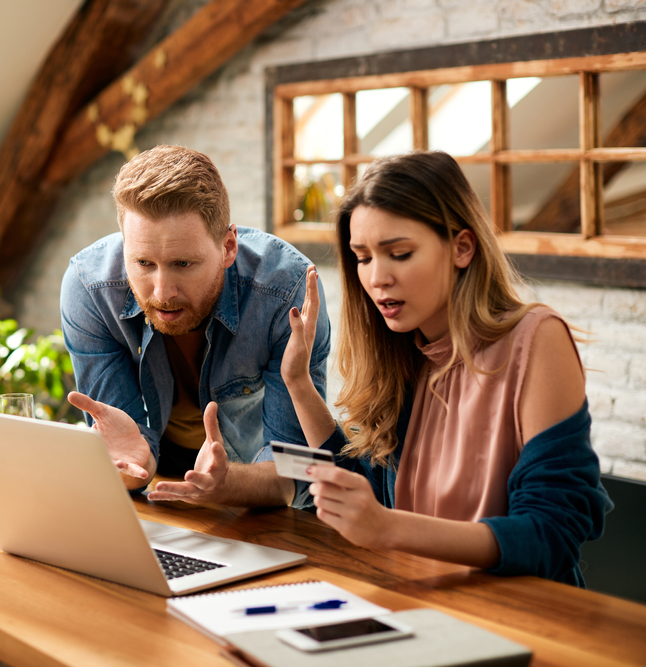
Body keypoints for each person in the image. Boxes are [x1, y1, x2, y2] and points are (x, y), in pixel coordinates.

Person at [281, 150, 611, 586]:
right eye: (362, 258)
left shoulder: (537, 339)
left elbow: (552, 535)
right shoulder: (405, 352)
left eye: (398, 253)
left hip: (522, 619)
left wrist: (391, 528)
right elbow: (371, 498)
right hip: (417, 600)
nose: (377, 277)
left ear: (462, 247)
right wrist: (299, 383)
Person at [60, 144, 331, 506]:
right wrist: (128, 469)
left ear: (228, 246)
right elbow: (125, 456)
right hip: (158, 491)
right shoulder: (89, 288)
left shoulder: (287, 293)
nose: (162, 292)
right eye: (143, 263)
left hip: (251, 488)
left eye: (183, 264)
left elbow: (295, 470)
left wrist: (226, 484)